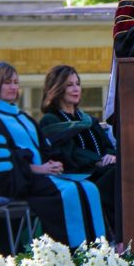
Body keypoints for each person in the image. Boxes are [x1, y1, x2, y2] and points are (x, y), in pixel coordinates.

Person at [0, 62, 105, 247]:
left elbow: (45, 148)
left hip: (38, 178)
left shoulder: (21, 116)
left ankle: (99, 250)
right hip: (14, 181)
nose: (14, 87)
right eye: (7, 82)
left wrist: (55, 163)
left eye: (16, 82)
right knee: (69, 191)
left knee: (88, 188)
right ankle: (72, 253)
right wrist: (36, 169)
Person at [39, 65, 116, 237]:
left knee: (125, 173)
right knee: (116, 177)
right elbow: (66, 153)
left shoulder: (87, 119)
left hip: (104, 171)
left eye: (77, 84)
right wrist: (96, 160)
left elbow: (107, 146)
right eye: (69, 85)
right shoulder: (51, 121)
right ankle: (114, 236)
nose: (76, 89)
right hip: (79, 176)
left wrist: (112, 156)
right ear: (57, 88)